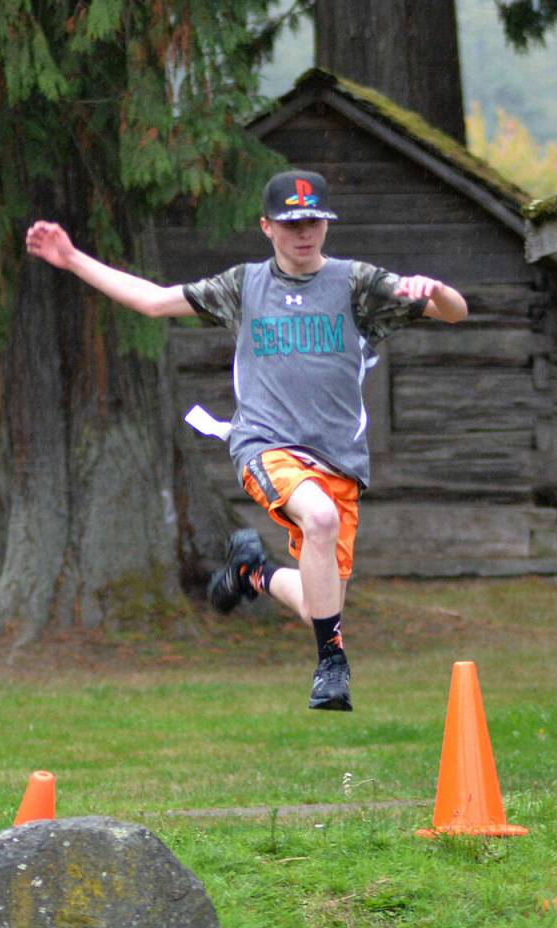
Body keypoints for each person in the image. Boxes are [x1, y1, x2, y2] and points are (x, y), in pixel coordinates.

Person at [26, 169, 467, 712]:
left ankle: (251, 573)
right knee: (320, 520)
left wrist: (436, 291)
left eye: (315, 222)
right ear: (266, 227)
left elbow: (456, 314)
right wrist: (72, 259)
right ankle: (332, 667)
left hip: (338, 460)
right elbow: (155, 302)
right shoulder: (245, 286)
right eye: (291, 224)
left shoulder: (357, 284)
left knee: (316, 603)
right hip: (265, 445)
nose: (305, 234)